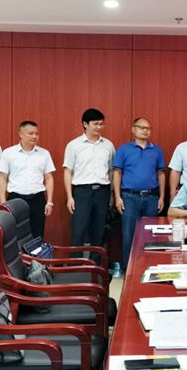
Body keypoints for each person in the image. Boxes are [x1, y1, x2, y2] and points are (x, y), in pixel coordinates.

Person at [113, 118, 166, 270]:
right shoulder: (124, 149)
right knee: (128, 235)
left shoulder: (156, 150)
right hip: (129, 197)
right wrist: (117, 197)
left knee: (150, 235)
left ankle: (148, 267)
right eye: (141, 127)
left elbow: (161, 174)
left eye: (148, 128)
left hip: (152, 197)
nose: (145, 130)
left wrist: (162, 197)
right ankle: (129, 270)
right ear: (133, 130)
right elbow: (117, 173)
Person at [63, 108, 115, 260]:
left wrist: (112, 193)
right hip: (82, 191)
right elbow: (67, 172)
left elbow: (112, 171)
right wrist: (69, 197)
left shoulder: (108, 145)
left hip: (103, 191)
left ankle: (96, 266)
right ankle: (75, 266)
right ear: (85, 124)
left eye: (101, 124)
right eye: (95, 124)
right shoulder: (74, 145)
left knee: (99, 230)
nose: (99, 127)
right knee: (78, 229)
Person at [0, 120, 55, 239]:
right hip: (15, 199)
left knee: (37, 233)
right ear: (21, 134)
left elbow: (49, 178)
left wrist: (49, 201)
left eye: (36, 133)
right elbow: (2, 177)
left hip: (37, 199)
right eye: (30, 133)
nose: (34, 136)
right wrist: (3, 201)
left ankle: (35, 252)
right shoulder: (8, 153)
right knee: (15, 233)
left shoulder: (44, 154)